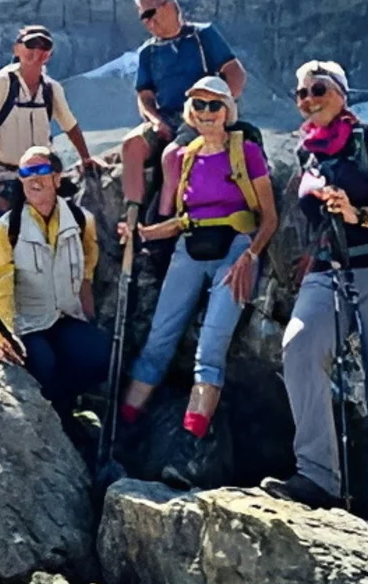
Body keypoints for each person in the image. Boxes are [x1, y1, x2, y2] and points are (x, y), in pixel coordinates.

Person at [261, 60, 368, 536]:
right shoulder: (309, 153)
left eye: (319, 89)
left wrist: (356, 214)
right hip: (331, 271)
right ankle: (317, 476)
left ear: (342, 94)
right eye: (301, 94)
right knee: (300, 346)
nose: (308, 99)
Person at [116, 77, 277, 483]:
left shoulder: (247, 153)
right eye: (199, 105)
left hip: (235, 251)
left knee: (209, 350)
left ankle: (191, 452)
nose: (206, 113)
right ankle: (123, 432)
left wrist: (250, 257)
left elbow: (269, 217)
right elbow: (183, 219)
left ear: (227, 111)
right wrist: (144, 234)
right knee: (158, 342)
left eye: (214, 106)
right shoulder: (185, 156)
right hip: (190, 249)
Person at [0, 145, 110, 424]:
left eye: (40, 170)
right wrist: (4, 337)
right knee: (42, 363)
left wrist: (87, 317)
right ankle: (57, 420)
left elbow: (86, 271)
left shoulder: (80, 220)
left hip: (64, 317)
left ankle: (64, 407)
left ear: (56, 176)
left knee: (101, 354)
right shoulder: (6, 229)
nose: (33, 179)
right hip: (25, 322)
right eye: (26, 172)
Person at [0, 24, 99, 287]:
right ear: (17, 49)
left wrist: (85, 158)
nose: (37, 52)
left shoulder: (51, 89)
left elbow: (69, 124)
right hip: (1, 173)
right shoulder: (2, 83)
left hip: (38, 173)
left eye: (44, 47)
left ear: (49, 54)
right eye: (30, 46)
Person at [120, 0, 248, 223]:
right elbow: (145, 96)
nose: (147, 22)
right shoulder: (148, 52)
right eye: (142, 18)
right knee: (132, 145)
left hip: (200, 113)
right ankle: (132, 214)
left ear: (168, 6)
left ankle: (162, 220)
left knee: (172, 156)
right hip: (167, 116)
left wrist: (219, 109)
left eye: (150, 13)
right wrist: (156, 121)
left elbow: (234, 72)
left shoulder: (202, 36)